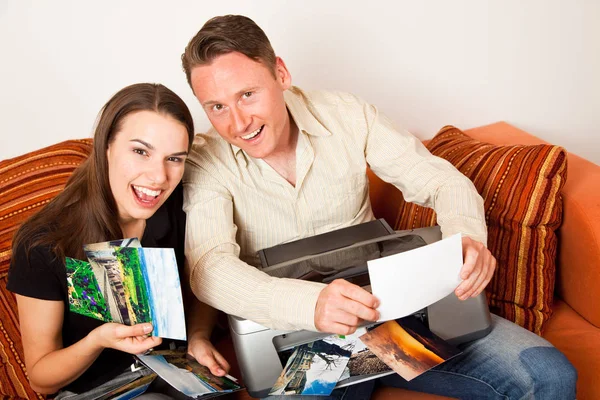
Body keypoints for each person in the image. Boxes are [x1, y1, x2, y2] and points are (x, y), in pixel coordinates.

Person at [180, 15, 577, 399]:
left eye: (247, 94)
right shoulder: (205, 160)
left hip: (392, 314)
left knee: (548, 375)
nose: (237, 122)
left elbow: (440, 181)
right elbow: (209, 267)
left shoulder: (347, 114)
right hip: (299, 341)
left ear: (281, 74)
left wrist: (467, 240)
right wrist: (311, 304)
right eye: (216, 107)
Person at [7, 83, 229, 399]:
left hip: (170, 371)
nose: (158, 177)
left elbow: (206, 278)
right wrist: (98, 339)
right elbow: (42, 379)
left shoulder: (179, 205)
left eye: (174, 158)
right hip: (95, 390)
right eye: (141, 151)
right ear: (106, 146)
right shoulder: (45, 243)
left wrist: (198, 336)